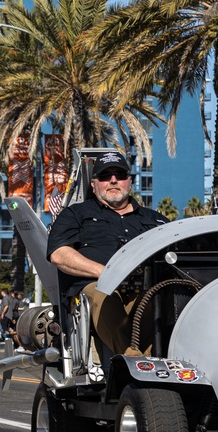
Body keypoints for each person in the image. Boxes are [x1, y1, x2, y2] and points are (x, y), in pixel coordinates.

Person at [48, 150, 170, 358]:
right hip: (95, 288)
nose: (113, 181)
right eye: (105, 176)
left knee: (168, 296)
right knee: (105, 293)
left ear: (129, 181)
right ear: (94, 185)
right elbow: (59, 254)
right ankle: (132, 360)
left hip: (144, 288)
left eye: (120, 175)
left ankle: (161, 361)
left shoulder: (155, 220)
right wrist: (107, 273)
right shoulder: (76, 214)